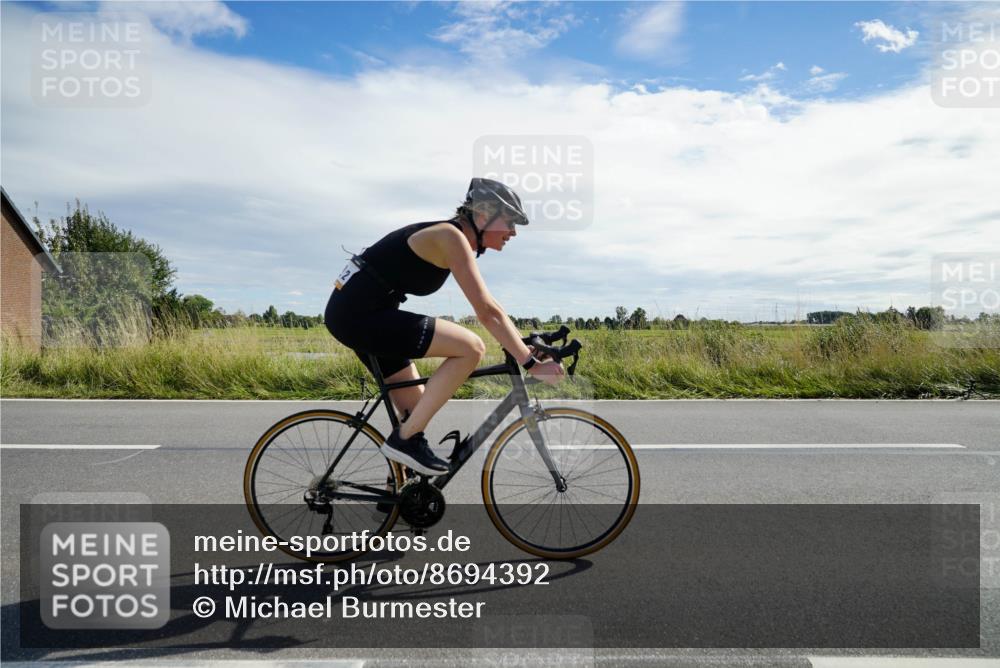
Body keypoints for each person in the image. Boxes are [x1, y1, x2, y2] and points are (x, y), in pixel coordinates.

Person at [324, 178, 565, 475]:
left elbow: (493, 306)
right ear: (484, 215)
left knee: (416, 411)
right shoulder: (450, 237)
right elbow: (486, 313)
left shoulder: (452, 237)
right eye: (510, 221)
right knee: (471, 348)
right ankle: (404, 441)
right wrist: (529, 363)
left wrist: (524, 345)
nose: (514, 232)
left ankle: (399, 489)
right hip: (359, 316)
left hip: (363, 315)